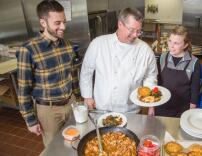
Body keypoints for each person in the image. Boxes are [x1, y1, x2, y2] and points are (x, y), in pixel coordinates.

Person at [16, 0, 80, 146]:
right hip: (48, 110)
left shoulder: (68, 46)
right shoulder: (28, 50)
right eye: (57, 23)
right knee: (54, 148)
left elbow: (73, 76)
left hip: (71, 103)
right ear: (43, 23)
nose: (63, 27)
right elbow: (23, 90)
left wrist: (79, 100)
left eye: (64, 22)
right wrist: (30, 120)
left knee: (76, 141)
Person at [79, 7, 158, 113]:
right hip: (102, 107)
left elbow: (150, 77)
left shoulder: (145, 50)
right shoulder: (98, 44)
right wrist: (87, 97)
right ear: (120, 24)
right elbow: (86, 72)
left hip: (131, 110)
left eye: (139, 31)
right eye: (132, 30)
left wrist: (151, 104)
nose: (135, 35)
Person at [154, 25, 200, 117]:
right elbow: (156, 82)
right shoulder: (163, 57)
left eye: (176, 43)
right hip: (161, 107)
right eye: (170, 41)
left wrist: (191, 113)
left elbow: (195, 90)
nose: (171, 46)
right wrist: (152, 107)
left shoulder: (194, 62)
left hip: (182, 110)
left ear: (185, 45)